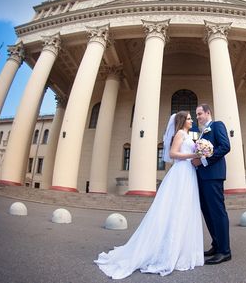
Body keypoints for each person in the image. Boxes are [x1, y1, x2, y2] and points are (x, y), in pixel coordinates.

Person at [94, 111, 204, 279]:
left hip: (189, 173)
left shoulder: (188, 135)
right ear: (182, 121)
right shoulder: (180, 134)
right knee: (175, 209)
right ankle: (167, 250)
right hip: (181, 173)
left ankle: (182, 248)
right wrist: (193, 155)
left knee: (185, 209)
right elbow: (174, 154)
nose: (192, 120)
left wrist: (199, 156)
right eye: (189, 118)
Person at [192, 104, 232, 265]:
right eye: (196, 114)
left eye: (200, 113)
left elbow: (225, 147)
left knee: (217, 212)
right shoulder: (200, 132)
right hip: (201, 177)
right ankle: (216, 245)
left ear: (208, 113)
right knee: (207, 212)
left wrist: (203, 160)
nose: (198, 117)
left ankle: (225, 251)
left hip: (213, 175)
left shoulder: (217, 125)